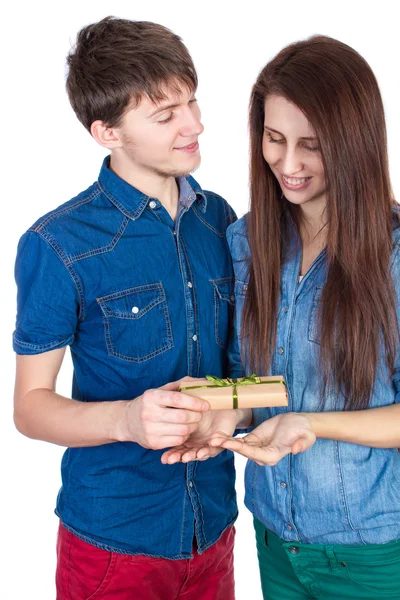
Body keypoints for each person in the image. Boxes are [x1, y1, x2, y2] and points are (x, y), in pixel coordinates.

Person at [12, 16, 250, 600]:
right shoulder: (57, 244)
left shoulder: (219, 219)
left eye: (192, 102)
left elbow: (242, 371)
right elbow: (30, 408)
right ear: (107, 132)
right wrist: (124, 421)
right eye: (165, 115)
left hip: (215, 529)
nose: (194, 125)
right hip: (113, 545)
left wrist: (234, 410)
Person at [206, 35, 400, 599]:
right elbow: (260, 382)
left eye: (310, 145)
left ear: (353, 142)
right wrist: (214, 405)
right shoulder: (247, 240)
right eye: (273, 138)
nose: (287, 164)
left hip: (371, 555)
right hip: (274, 538)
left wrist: (312, 424)